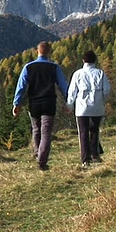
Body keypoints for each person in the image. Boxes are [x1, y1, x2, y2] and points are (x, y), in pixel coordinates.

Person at [12, 41, 69, 171]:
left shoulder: (28, 67)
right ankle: (42, 160)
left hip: (34, 103)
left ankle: (37, 153)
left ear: (37, 51)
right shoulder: (54, 68)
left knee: (36, 130)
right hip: (49, 103)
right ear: (49, 52)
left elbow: (21, 87)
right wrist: (68, 102)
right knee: (46, 132)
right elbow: (63, 86)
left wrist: (17, 103)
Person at [66, 50, 111, 168]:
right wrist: (101, 100)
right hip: (97, 107)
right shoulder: (100, 73)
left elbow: (72, 92)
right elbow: (107, 90)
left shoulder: (78, 74)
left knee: (83, 133)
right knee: (95, 131)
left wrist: (69, 105)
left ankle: (85, 159)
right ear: (95, 60)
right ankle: (95, 154)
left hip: (82, 108)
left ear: (83, 60)